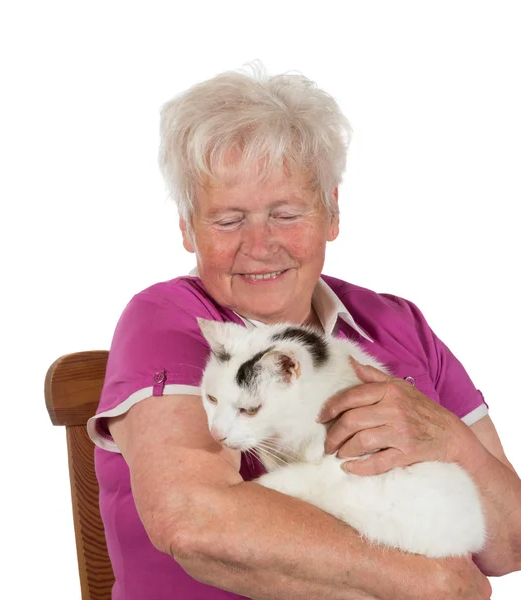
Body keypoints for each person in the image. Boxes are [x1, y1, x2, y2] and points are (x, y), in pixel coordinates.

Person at [88, 64, 520, 599]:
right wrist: (430, 582)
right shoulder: (168, 322)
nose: (260, 243)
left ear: (332, 212)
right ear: (186, 227)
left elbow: (509, 543)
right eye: (227, 220)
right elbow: (195, 523)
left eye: (286, 213)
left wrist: (450, 440)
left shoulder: (395, 324)